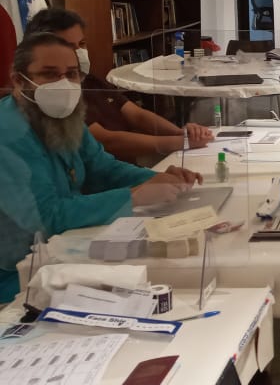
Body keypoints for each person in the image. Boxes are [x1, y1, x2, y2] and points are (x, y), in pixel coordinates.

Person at [0, 32, 202, 303]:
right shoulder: (7, 134)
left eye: (71, 74)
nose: (64, 83)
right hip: (20, 276)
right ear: (18, 80)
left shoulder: (62, 116)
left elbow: (102, 168)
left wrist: (159, 180)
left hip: (64, 250)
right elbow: (46, 217)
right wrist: (133, 196)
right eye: (49, 74)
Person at [23, 8, 214, 162]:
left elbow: (137, 114)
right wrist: (181, 142)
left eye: (82, 44)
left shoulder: (90, 81)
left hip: (123, 170)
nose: (79, 52)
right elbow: (108, 141)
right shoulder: (54, 95)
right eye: (69, 46)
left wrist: (181, 132)